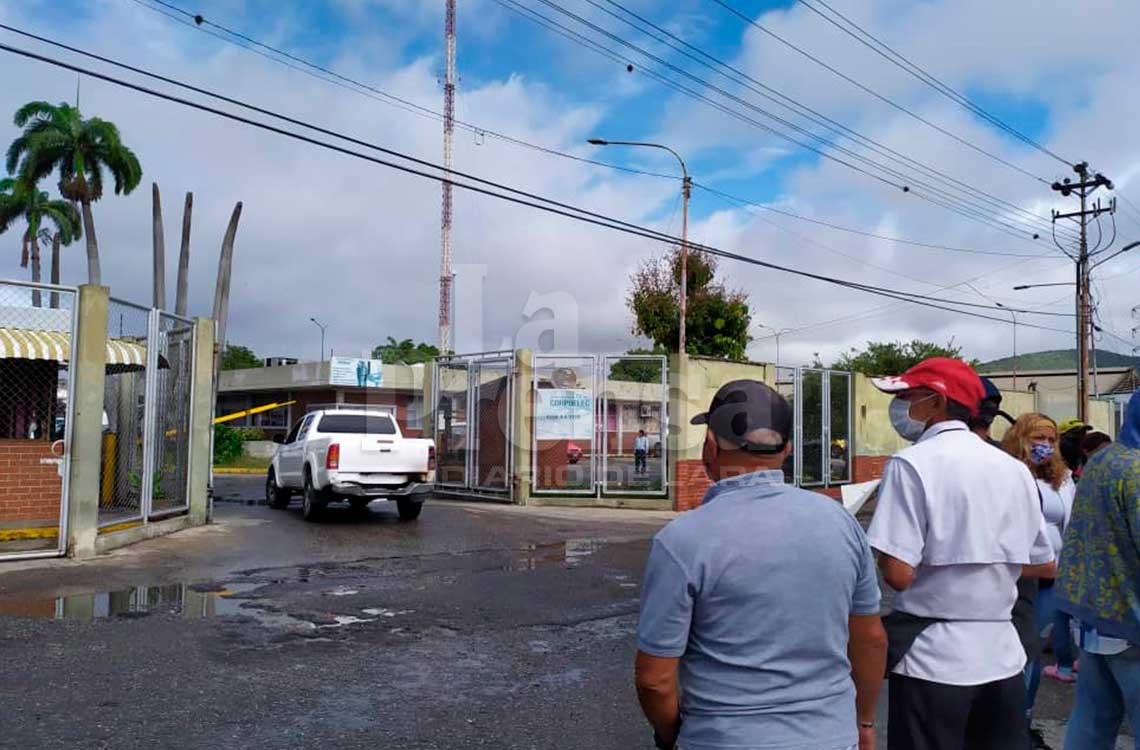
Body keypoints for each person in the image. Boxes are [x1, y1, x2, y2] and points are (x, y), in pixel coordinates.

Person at [635, 379, 887, 750]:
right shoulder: (841, 523)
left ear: (709, 446)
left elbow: (654, 680)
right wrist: (863, 723)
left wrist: (674, 736)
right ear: (785, 450)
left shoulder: (682, 540)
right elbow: (871, 639)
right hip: (831, 738)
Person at [865, 358, 1055, 750]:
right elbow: (1043, 561)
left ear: (935, 402)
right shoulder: (1013, 468)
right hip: (1002, 655)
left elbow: (898, 574)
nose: (901, 407)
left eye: (908, 397)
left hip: (933, 658)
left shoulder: (912, 464)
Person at [1056, 391, 1140, 750]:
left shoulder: (1104, 460)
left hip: (1094, 620)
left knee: (1091, 725)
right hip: (1132, 625)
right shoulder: (1136, 470)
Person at [1000, 414, 1078, 743]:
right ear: (1021, 438)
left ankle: (1025, 722)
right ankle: (1009, 724)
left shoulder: (1060, 478)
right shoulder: (1005, 474)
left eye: (1050, 439)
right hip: (1021, 576)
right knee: (1016, 653)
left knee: (1031, 653)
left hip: (1054, 580)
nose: (1045, 445)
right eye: (1038, 438)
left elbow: (1072, 526)